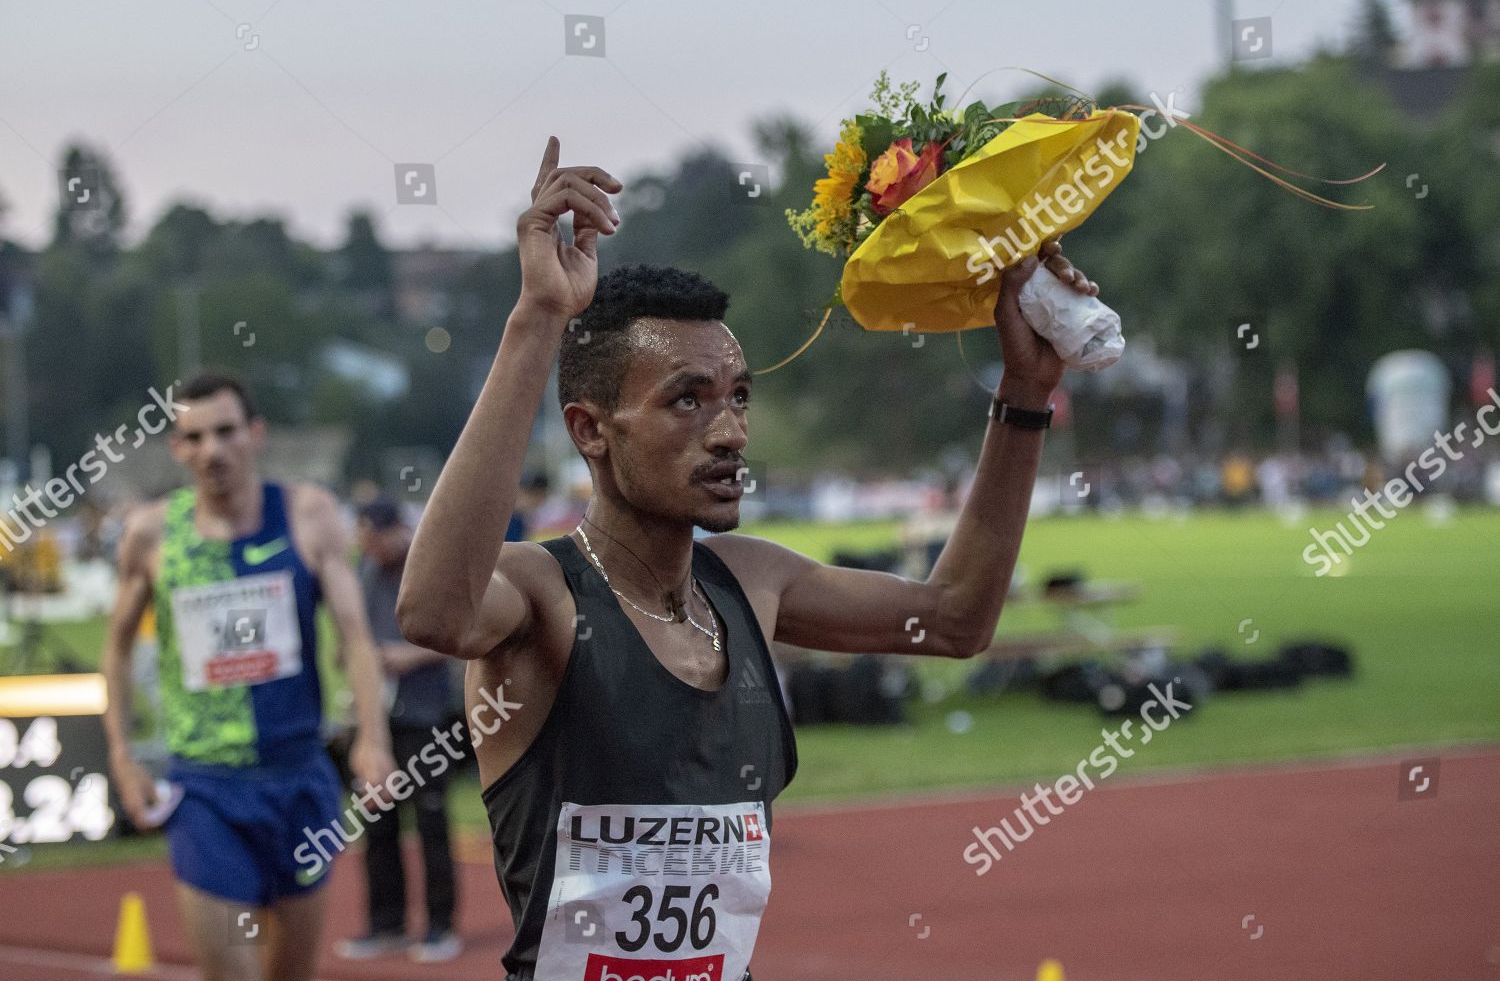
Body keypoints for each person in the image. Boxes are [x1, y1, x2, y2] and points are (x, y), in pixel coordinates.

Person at [396, 136, 1097, 981]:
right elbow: (434, 611)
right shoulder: (543, 597)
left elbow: (956, 619)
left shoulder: (754, 584)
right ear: (591, 432)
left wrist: (1024, 393)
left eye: (737, 397)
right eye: (685, 401)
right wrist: (538, 316)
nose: (729, 431)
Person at [101, 370, 396, 981]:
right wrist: (123, 755)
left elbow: (356, 638)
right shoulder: (153, 534)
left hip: (300, 778)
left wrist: (373, 738)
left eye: (226, 431)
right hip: (206, 789)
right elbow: (117, 647)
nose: (213, 450)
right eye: (195, 437)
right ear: (177, 448)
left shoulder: (308, 516)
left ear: (255, 433)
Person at [335, 497, 462, 963]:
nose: (371, 548)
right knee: (376, 820)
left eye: (376, 538)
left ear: (395, 531)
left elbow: (460, 632)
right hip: (377, 715)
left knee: (430, 820)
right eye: (364, 540)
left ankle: (440, 926)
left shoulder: (428, 564)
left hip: (426, 713)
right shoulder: (365, 572)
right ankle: (386, 923)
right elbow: (352, 633)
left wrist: (407, 657)